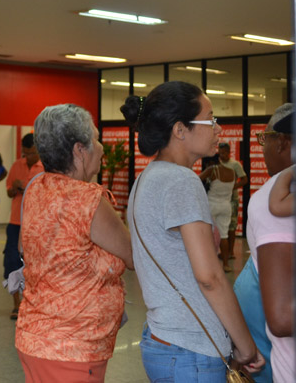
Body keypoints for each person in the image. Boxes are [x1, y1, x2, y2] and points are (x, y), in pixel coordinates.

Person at [121, 81, 264, 382]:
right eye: (210, 119)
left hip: (163, 338)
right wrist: (246, 346)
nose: (218, 129)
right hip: (191, 349)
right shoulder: (181, 181)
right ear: (180, 130)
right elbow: (209, 278)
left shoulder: (147, 178)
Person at [15, 104, 133, 381]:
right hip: (72, 349)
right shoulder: (88, 200)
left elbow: (24, 247)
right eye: (96, 139)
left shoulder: (36, 187)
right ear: (79, 150)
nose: (101, 148)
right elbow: (133, 255)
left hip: (35, 336)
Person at [244, 106, 294, 382]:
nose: (262, 149)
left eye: (264, 139)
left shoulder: (274, 194)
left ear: (282, 142)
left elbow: (282, 318)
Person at [4, 133, 43, 320]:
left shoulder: (46, 167)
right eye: (25, 153)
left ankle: (35, 303)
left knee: (36, 264)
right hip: (16, 222)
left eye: (32, 153)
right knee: (12, 262)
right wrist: (15, 187)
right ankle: (16, 304)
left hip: (37, 223)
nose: (28, 157)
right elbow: (9, 192)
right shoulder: (16, 165)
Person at [199, 153, 236, 272]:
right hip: (226, 205)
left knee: (208, 235)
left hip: (211, 205)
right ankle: (226, 264)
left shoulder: (212, 169)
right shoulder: (231, 171)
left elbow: (196, 180)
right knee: (224, 235)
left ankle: (209, 265)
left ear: (210, 162)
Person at [217, 142, 248, 260]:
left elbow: (244, 180)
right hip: (219, 199)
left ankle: (230, 252)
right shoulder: (217, 164)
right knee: (221, 226)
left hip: (232, 199)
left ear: (229, 152)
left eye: (224, 153)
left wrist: (232, 187)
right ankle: (223, 251)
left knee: (231, 226)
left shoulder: (235, 164)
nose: (222, 155)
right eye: (220, 153)